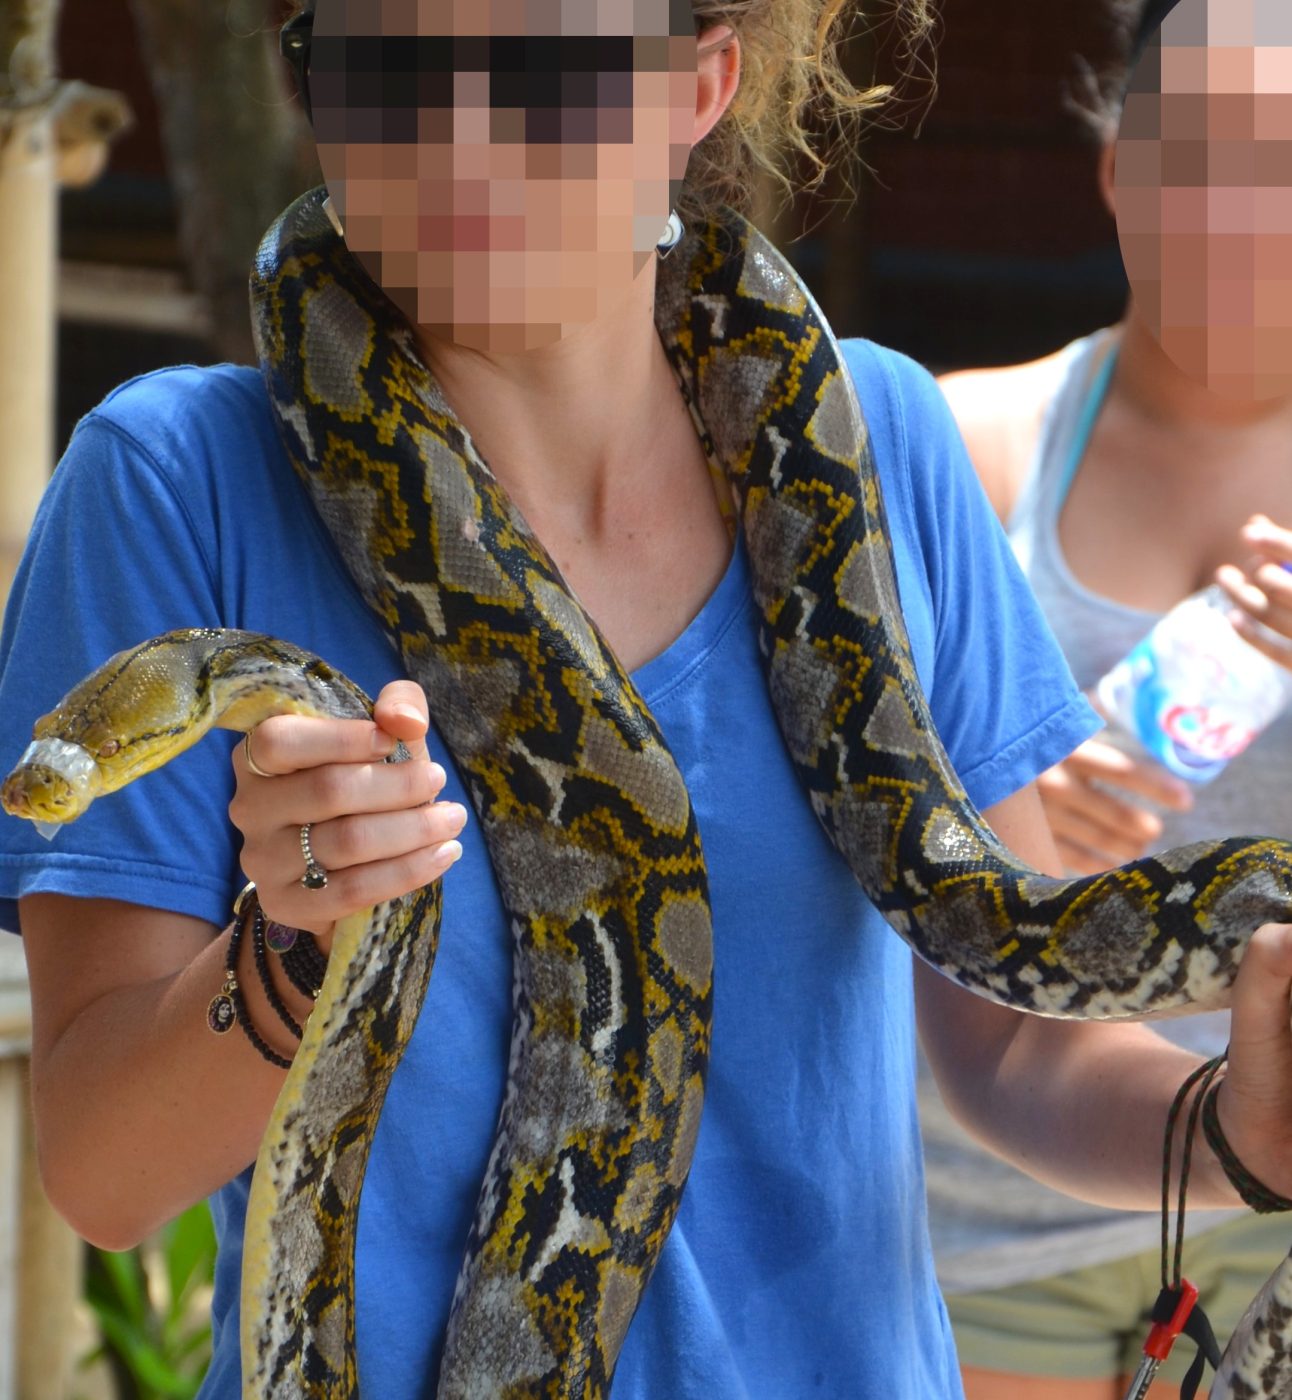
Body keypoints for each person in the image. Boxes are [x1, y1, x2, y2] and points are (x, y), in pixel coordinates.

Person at [3, 2, 1292, 1397]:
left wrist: (1239, 1126)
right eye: (382, 67)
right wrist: (294, 952)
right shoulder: (175, 483)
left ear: (698, 86)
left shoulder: (878, 445)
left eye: (550, 67)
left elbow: (1015, 1033)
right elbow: (99, 1177)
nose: (462, 133)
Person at [930, 1, 1292, 1396]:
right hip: (973, 1238)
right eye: (1192, 148)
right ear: (1115, 165)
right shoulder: (962, 448)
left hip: (1274, 1224)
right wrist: (1020, 853)